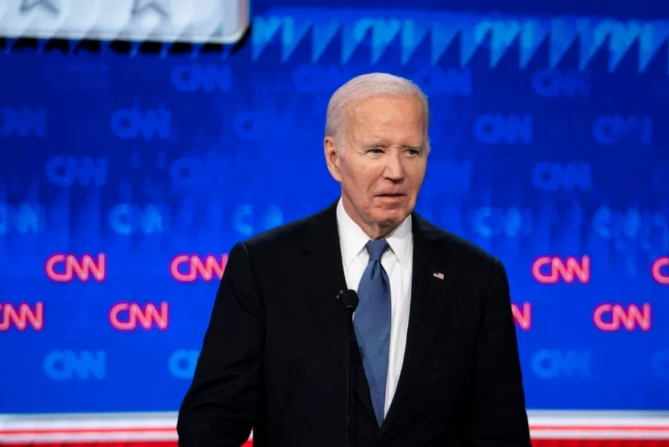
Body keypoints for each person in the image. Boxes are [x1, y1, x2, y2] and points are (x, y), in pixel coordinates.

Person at [177, 73, 531, 447]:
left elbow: (501, 433)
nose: (396, 172)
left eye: (411, 151)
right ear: (333, 158)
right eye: (376, 150)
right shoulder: (264, 267)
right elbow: (210, 423)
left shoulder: (475, 276)